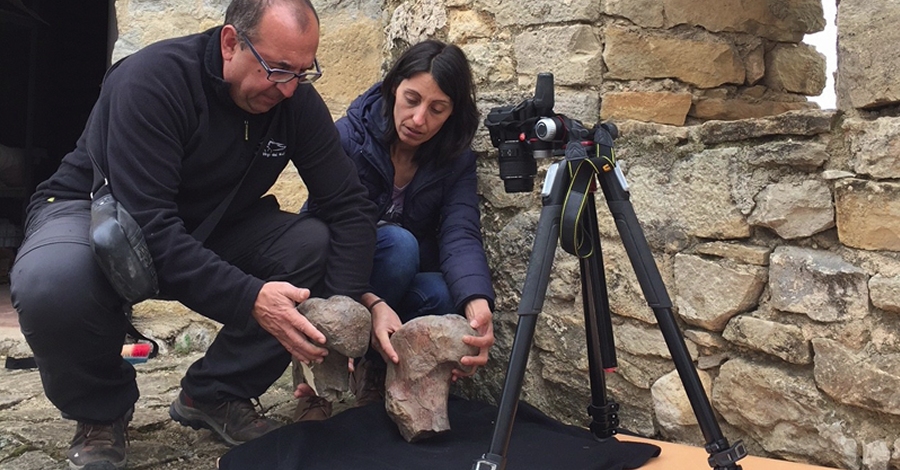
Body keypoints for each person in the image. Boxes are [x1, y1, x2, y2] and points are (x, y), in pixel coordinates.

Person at [9, 0, 377, 468]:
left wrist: (340, 310)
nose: (288, 89)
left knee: (314, 247)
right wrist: (251, 299)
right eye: (278, 69)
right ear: (230, 43)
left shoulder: (293, 100)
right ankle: (100, 409)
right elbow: (152, 229)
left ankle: (215, 393)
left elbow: (349, 207)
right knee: (54, 280)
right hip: (100, 211)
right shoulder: (151, 81)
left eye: (303, 72)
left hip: (214, 224)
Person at [292, 40, 496, 421]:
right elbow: (327, 229)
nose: (419, 119)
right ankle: (318, 378)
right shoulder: (348, 139)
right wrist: (373, 304)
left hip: (395, 282)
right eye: (412, 99)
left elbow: (460, 232)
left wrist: (477, 302)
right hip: (334, 277)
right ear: (392, 89)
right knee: (400, 245)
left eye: (437, 109)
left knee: (440, 291)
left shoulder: (454, 158)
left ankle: (378, 370)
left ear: (452, 114)